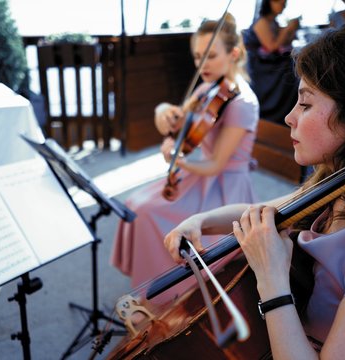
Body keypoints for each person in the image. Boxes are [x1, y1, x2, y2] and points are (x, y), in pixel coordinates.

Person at [164, 22, 345, 359]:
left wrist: (272, 279)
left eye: (306, 104)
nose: (289, 117)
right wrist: (201, 220)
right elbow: (267, 212)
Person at [111, 13, 260, 300]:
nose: (201, 65)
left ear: (234, 53)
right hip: (197, 174)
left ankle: (166, 293)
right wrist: (162, 113)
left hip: (223, 186)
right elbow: (178, 124)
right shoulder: (208, 88)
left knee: (144, 210)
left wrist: (177, 159)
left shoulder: (242, 103)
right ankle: (153, 283)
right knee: (134, 204)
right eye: (197, 57)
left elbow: (216, 163)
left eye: (210, 56)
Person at [243, 0, 299, 124]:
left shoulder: (273, 22)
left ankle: (287, 113)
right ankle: (274, 116)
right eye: (279, 1)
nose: (283, 4)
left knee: (293, 66)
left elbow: (284, 43)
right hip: (261, 68)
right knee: (291, 72)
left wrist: (292, 30)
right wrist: (286, 30)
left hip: (270, 64)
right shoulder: (261, 21)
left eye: (284, 2)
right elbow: (271, 46)